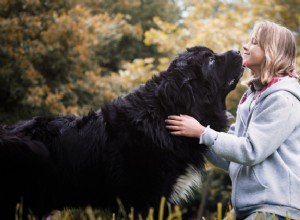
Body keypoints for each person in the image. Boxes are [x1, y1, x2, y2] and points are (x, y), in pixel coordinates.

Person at [165, 20, 300, 220]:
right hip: (251, 208)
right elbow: (232, 159)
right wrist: (195, 138)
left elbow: (249, 151)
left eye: (254, 42)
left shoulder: (282, 99)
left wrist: (203, 133)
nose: (246, 46)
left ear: (272, 51)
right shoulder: (253, 97)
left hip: (276, 210)